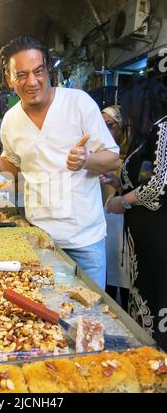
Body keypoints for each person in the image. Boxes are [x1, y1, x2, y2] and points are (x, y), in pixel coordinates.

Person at [0, 35, 119, 289]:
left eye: (38, 71)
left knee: (92, 320)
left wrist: (87, 159)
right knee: (47, 319)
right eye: (21, 75)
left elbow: (113, 159)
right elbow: (18, 176)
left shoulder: (78, 103)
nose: (32, 81)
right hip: (39, 239)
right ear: (9, 80)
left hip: (84, 240)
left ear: (48, 70)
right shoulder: (10, 121)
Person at [106, 78, 167, 350]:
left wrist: (124, 202)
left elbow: (158, 184)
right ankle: (146, 351)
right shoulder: (149, 133)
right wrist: (116, 182)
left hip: (159, 237)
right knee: (143, 293)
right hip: (143, 240)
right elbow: (141, 179)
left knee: (158, 295)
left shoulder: (164, 128)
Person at [100, 106, 129, 310]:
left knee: (127, 281)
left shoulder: (136, 155)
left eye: (109, 126)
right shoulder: (98, 157)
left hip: (130, 230)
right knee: (109, 276)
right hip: (108, 227)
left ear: (122, 128)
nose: (104, 131)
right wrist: (117, 183)